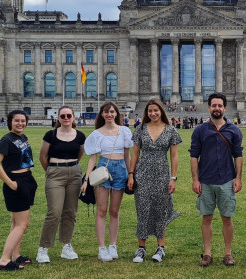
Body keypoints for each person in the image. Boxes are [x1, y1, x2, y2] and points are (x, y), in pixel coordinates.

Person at [189, 92, 243, 267]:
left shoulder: (233, 130)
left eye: (220, 106)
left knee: (227, 218)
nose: (217, 108)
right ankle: (207, 253)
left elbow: (238, 155)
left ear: (225, 108)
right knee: (207, 218)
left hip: (227, 180)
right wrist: (195, 180)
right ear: (209, 107)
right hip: (205, 180)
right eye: (214, 105)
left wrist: (238, 178)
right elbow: (193, 156)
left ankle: (228, 254)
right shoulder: (200, 130)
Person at [128, 99, 182, 263]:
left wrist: (173, 178)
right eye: (150, 111)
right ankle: (141, 249)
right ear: (147, 113)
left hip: (162, 174)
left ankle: (160, 248)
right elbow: (135, 153)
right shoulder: (140, 129)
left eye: (156, 110)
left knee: (161, 210)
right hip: (142, 173)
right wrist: (131, 174)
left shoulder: (171, 130)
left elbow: (174, 156)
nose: (153, 113)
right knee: (143, 209)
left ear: (161, 111)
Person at [81, 102, 133, 262]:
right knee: (102, 210)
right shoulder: (97, 134)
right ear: (102, 115)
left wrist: (131, 175)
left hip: (120, 170)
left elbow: (127, 155)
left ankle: (113, 245)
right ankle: (102, 247)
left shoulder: (124, 131)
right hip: (103, 170)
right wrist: (86, 179)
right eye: (106, 112)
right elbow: (93, 159)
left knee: (115, 211)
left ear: (116, 114)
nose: (109, 114)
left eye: (112, 112)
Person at [36, 106, 86, 264]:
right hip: (55, 174)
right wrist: (51, 171)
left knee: (70, 212)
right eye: (63, 116)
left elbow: (80, 154)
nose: (66, 118)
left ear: (73, 117)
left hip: (74, 174)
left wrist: (72, 167)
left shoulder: (80, 136)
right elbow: (42, 157)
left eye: (68, 115)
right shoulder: (50, 135)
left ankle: (67, 246)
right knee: (54, 212)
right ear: (58, 118)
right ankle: (43, 248)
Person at [0, 110, 36, 271]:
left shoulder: (22, 137)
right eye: (16, 121)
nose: (20, 124)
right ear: (10, 122)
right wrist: (10, 183)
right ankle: (4, 259)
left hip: (26, 180)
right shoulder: (7, 140)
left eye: (23, 121)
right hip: (16, 183)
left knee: (18, 222)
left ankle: (16, 255)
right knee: (22, 224)